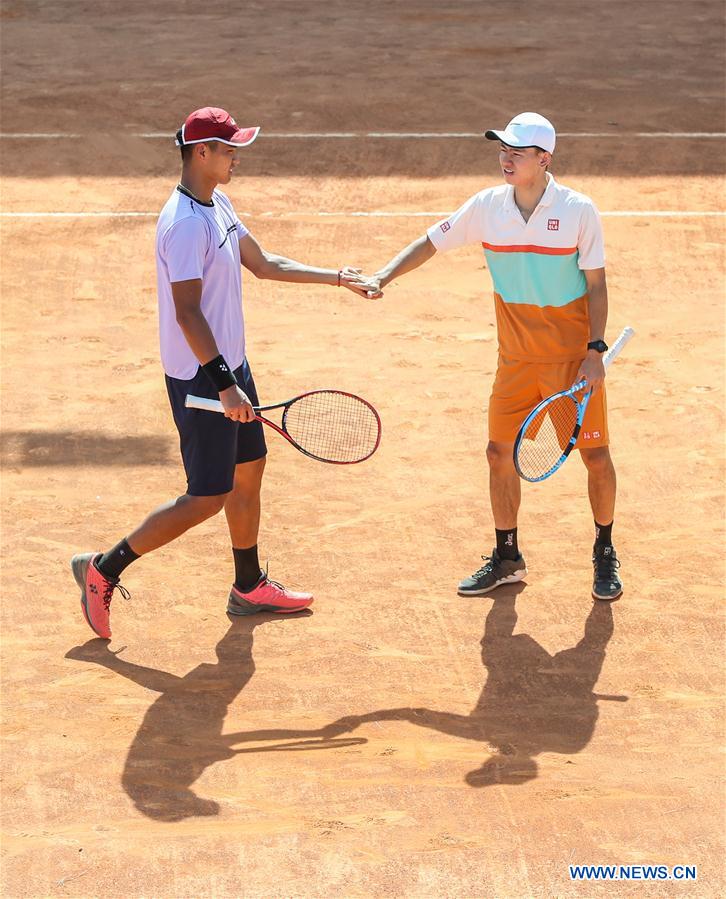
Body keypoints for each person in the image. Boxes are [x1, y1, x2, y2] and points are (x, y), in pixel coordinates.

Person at [71, 106, 377, 639]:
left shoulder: (217, 203)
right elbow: (188, 312)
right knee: (207, 496)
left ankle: (248, 584)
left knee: (250, 468)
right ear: (201, 152)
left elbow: (263, 263)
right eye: (229, 148)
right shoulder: (185, 225)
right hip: (202, 378)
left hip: (230, 364)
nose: (237, 156)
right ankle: (103, 567)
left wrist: (334, 277)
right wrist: (224, 384)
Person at [351, 112, 623, 601]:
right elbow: (431, 242)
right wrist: (383, 276)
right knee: (499, 454)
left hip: (570, 361)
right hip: (515, 360)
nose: (505, 159)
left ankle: (604, 549)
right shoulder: (487, 207)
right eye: (502, 150)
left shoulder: (579, 211)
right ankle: (507, 557)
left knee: (596, 457)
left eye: (516, 152)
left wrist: (595, 350)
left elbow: (598, 286)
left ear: (544, 159)